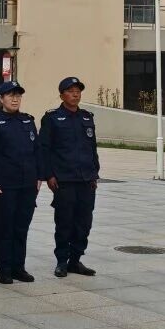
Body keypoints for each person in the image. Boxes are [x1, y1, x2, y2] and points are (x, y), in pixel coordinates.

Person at [38, 76, 100, 278]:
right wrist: (48, 175)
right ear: (61, 95)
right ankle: (62, 261)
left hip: (86, 179)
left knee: (84, 223)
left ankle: (76, 260)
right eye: (71, 91)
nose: (75, 94)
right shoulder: (52, 118)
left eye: (78, 91)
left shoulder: (87, 117)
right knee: (64, 222)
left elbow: (92, 148)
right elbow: (44, 149)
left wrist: (95, 173)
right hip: (64, 179)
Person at [0, 80, 39, 284]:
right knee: (4, 229)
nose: (15, 99)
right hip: (4, 186)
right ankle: (4, 269)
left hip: (27, 185)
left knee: (21, 228)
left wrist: (38, 177)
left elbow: (36, 152)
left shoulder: (28, 121)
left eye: (18, 95)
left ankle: (18, 268)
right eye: (10, 95)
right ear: (1, 98)